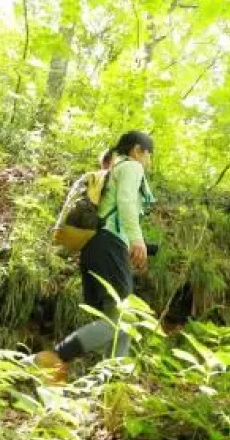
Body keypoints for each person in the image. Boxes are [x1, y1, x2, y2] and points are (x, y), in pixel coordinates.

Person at [33, 131, 156, 375]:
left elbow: (113, 214)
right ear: (137, 150)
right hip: (109, 246)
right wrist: (137, 239)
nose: (149, 161)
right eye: (149, 155)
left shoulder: (114, 171)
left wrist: (141, 244)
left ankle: (109, 386)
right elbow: (127, 202)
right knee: (120, 321)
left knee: (121, 321)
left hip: (95, 249)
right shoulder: (131, 167)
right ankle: (54, 357)